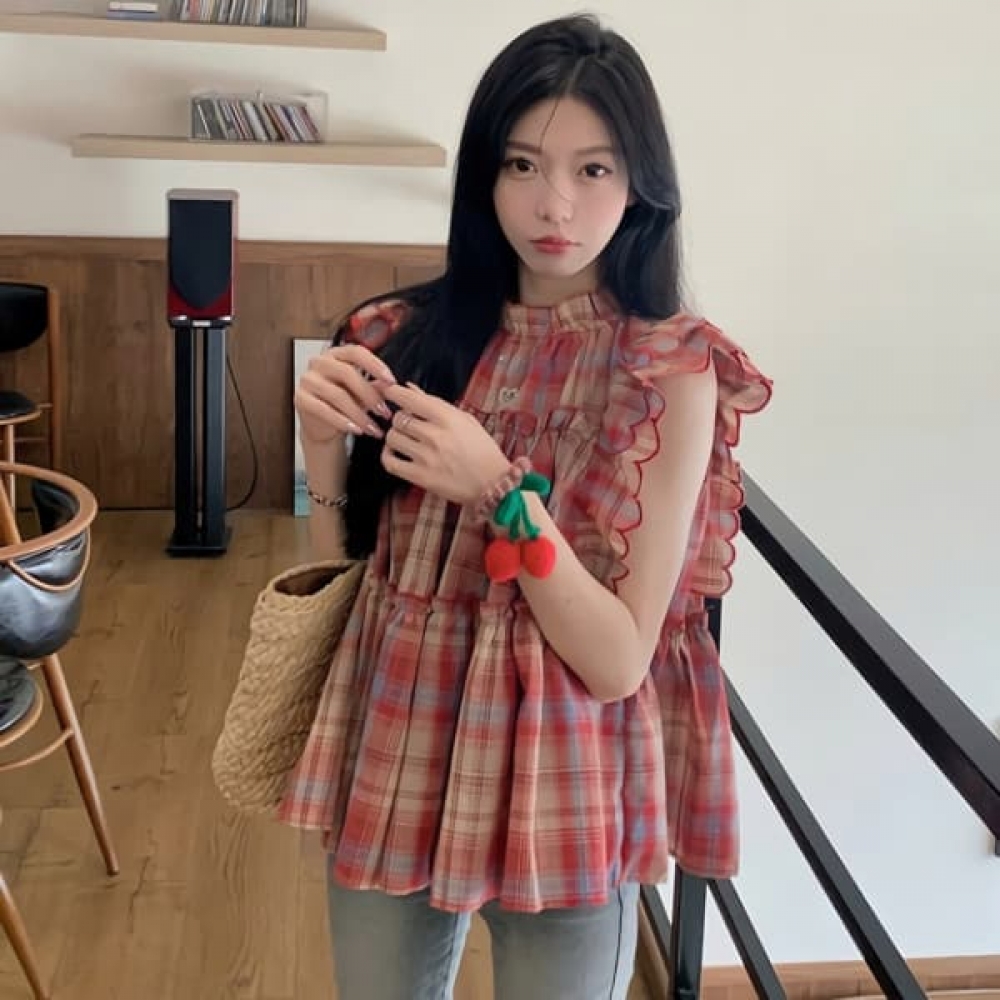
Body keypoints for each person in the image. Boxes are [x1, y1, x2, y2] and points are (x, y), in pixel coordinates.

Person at [284, 13, 772, 1000]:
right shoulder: (402, 333)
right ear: (484, 176)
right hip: (400, 736)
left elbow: (617, 659)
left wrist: (500, 492)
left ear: (641, 184)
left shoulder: (668, 371)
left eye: (593, 170)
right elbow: (357, 575)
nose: (554, 204)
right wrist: (319, 447)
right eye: (521, 164)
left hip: (568, 775)